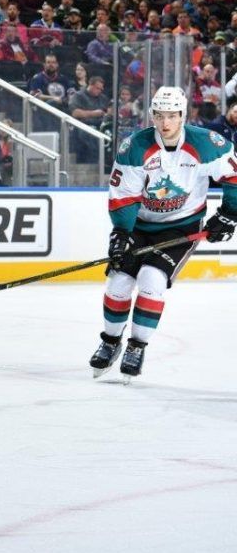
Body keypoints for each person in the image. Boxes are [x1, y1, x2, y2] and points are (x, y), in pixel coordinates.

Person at [92, 87, 237, 381]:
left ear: (183, 115)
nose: (166, 122)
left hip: (182, 226)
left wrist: (229, 214)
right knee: (118, 282)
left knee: (152, 279)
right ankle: (109, 342)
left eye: (172, 115)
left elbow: (233, 176)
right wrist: (121, 232)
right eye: (160, 116)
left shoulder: (208, 144)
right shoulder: (135, 147)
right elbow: (124, 196)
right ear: (152, 116)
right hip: (140, 225)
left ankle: (136, 346)